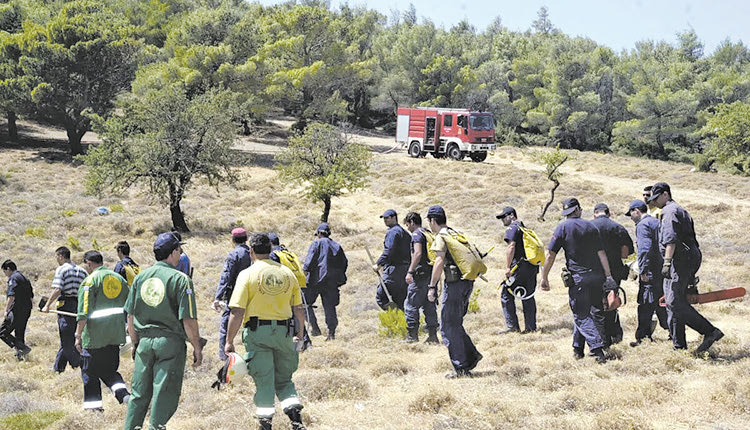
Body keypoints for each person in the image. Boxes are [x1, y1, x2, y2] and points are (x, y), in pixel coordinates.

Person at [225, 233, 307, 430]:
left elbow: (237, 311)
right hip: (284, 334)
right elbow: (298, 309)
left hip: (258, 334)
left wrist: (229, 340)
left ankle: (265, 424)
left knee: (264, 379)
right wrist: (301, 334)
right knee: (285, 379)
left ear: (251, 251)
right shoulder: (287, 274)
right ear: (271, 250)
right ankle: (296, 421)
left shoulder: (247, 275)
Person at [124, 232, 203, 430]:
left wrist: (134, 343)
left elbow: (130, 316)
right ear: (174, 252)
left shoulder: (141, 277)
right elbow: (188, 319)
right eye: (179, 249)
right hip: (170, 343)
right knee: (164, 393)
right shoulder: (181, 279)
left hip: (144, 342)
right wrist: (197, 346)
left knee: (139, 394)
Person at [540, 198, 618, 363]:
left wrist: (544, 276)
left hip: (579, 278)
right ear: (578, 210)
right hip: (596, 277)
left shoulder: (562, 227)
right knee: (585, 312)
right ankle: (577, 348)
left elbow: (551, 254)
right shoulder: (591, 226)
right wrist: (608, 276)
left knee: (580, 314)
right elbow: (601, 254)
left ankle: (597, 349)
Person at [648, 182, 723, 352]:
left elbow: (671, 239)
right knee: (674, 302)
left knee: (674, 302)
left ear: (665, 194)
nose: (655, 202)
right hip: (685, 260)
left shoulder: (669, 211)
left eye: (656, 198)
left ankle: (710, 331)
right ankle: (679, 345)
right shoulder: (677, 210)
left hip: (679, 261)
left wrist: (667, 262)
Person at [426, 205, 482, 378]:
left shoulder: (441, 237)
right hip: (467, 283)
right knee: (455, 322)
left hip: (454, 284)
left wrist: (432, 286)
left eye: (429, 221)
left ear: (433, 221)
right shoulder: (455, 233)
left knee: (448, 325)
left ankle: (461, 367)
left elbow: (439, 261)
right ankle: (471, 356)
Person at [75, 250, 130, 411]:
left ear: (89, 264)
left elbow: (83, 312)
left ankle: (94, 410)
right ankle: (124, 396)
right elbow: (130, 306)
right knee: (110, 371)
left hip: (94, 339)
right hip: (114, 336)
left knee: (89, 375)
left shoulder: (89, 282)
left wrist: (78, 335)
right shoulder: (119, 279)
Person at [625, 199, 668, 346]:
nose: (630, 217)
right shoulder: (655, 222)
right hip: (662, 270)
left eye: (631, 213)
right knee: (661, 303)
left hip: (651, 272)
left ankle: (643, 338)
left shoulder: (642, 225)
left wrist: (642, 270)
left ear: (636, 211)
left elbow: (645, 249)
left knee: (645, 303)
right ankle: (673, 332)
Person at [591, 203, 634, 347]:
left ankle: (601, 338)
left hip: (593, 272)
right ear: (609, 214)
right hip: (614, 272)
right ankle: (614, 334)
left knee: (596, 305)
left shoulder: (589, 227)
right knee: (611, 303)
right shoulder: (618, 228)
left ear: (595, 214)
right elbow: (626, 253)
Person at [42, 246, 87, 372]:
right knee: (71, 335)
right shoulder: (82, 271)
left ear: (61, 256)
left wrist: (47, 305)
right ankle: (58, 368)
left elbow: (57, 289)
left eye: (57, 256)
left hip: (65, 304)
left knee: (67, 338)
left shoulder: (62, 270)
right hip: (79, 304)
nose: (56, 259)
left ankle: (78, 364)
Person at [496, 206, 538, 334]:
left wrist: (508, 267)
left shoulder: (512, 228)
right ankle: (531, 327)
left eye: (504, 217)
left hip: (518, 268)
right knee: (528, 296)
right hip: (531, 267)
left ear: (511, 216)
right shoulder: (523, 227)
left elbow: (511, 246)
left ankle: (512, 326)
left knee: (506, 293)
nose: (503, 220)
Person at [302, 223, 348, 340]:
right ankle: (331, 333)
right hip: (331, 282)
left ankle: (315, 328)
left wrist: (305, 271)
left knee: (305, 304)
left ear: (318, 233)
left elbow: (309, 261)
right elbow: (344, 263)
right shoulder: (337, 245)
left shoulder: (316, 243)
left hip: (315, 281)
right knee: (330, 307)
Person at [212, 227, 252, 360]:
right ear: (246, 239)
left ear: (233, 239)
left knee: (226, 324)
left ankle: (225, 355)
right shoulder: (252, 254)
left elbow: (226, 277)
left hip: (235, 295)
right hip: (252, 294)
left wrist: (218, 297)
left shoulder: (233, 255)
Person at [403, 212, 439, 344]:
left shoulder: (417, 234)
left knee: (411, 305)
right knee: (429, 305)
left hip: (419, 276)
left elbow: (417, 253)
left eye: (408, 225)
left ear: (412, 222)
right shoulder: (427, 233)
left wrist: (410, 271)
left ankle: (412, 336)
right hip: (431, 275)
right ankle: (433, 335)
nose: (408, 228)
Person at [374, 209, 411, 311]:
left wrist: (378, 264)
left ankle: (393, 318)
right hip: (405, 270)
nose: (385, 220)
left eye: (387, 218)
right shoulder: (405, 233)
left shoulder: (393, 232)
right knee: (400, 299)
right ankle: (401, 323)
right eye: (384, 218)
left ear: (394, 218)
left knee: (381, 296)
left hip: (394, 270)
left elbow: (389, 250)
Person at [1, 259, 33, 361]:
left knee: (2, 332)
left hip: (16, 310)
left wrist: (6, 311)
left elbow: (11, 296)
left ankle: (23, 348)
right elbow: (31, 296)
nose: (5, 274)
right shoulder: (24, 278)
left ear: (9, 269)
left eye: (5, 272)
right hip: (26, 310)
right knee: (19, 333)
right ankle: (21, 357)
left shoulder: (13, 278)